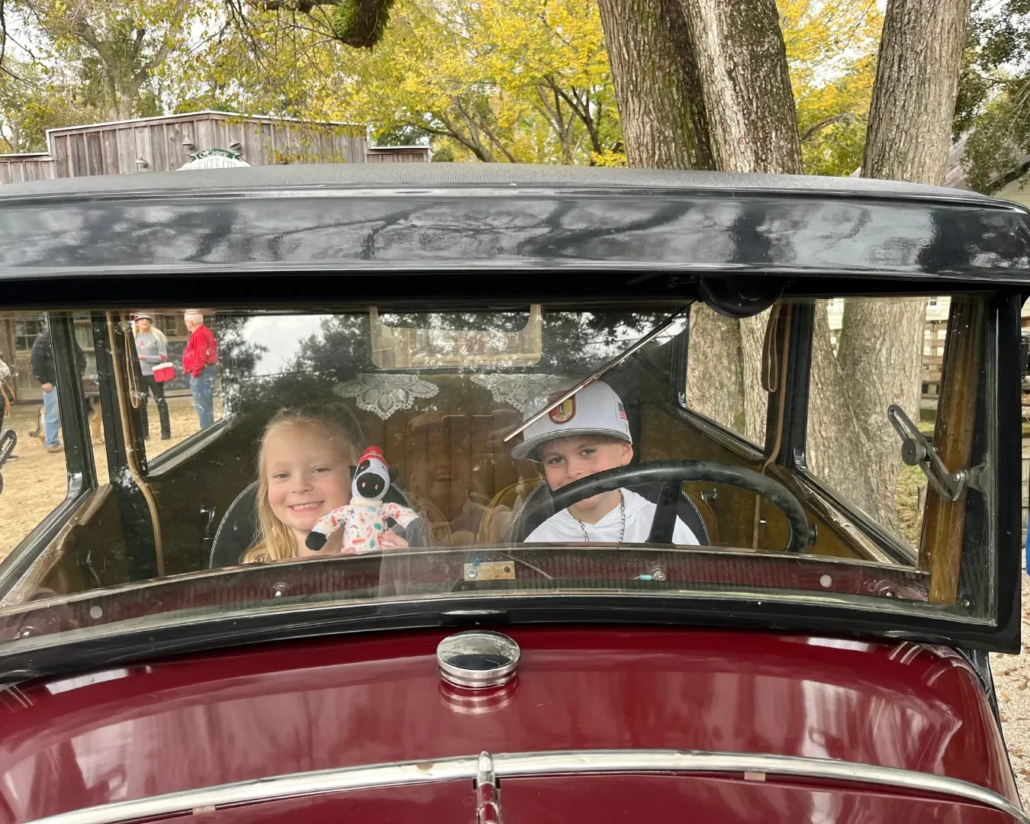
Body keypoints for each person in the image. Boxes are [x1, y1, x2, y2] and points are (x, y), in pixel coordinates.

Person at [512, 381, 700, 545]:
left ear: (624, 452)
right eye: (556, 460)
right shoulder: (536, 535)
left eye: (587, 452)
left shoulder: (662, 525)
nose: (573, 471)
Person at [244, 407, 409, 563]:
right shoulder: (257, 568)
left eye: (320, 470)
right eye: (282, 475)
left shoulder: (383, 554)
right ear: (266, 489)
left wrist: (397, 571)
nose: (300, 486)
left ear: (354, 478)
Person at [29, 322, 86, 454]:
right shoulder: (42, 340)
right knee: (53, 415)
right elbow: (35, 362)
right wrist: (43, 381)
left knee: (73, 413)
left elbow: (81, 357)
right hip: (51, 384)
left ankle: (74, 442)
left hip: (70, 382)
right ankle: (52, 444)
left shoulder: (69, 339)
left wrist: (78, 374)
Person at [133, 313, 171, 440]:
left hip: (154, 374)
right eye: (141, 319)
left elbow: (163, 356)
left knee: (160, 402)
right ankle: (144, 433)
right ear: (137, 322)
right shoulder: (133, 337)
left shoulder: (157, 337)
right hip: (139, 375)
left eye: (147, 319)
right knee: (141, 404)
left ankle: (166, 433)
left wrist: (146, 358)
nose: (145, 321)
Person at [182, 310, 218, 430]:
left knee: (202, 405)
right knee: (205, 404)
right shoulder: (204, 332)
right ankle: (208, 429)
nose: (186, 324)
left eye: (186, 321)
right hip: (205, 370)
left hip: (201, 372)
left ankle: (206, 431)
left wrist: (195, 374)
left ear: (191, 322)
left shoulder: (199, 334)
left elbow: (200, 355)